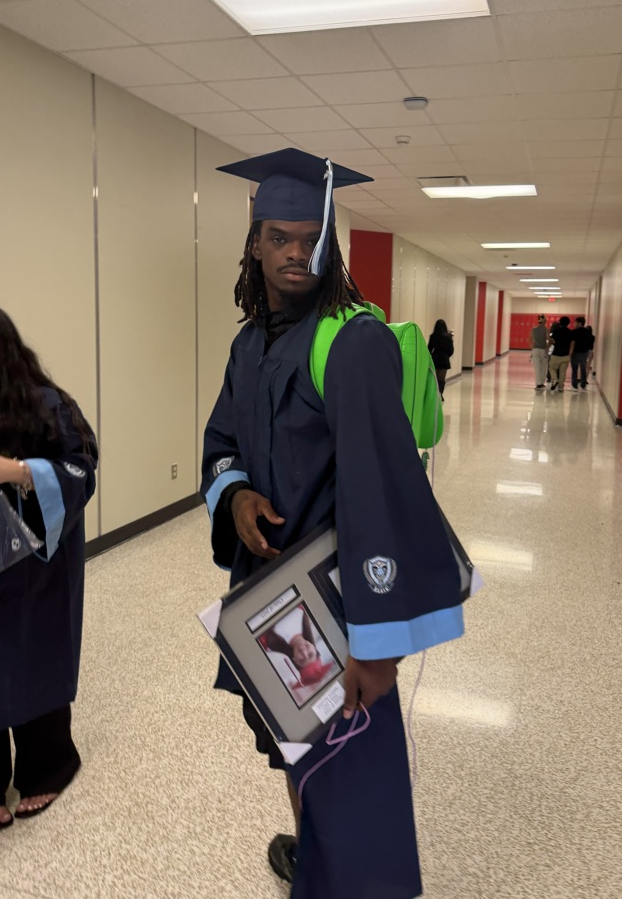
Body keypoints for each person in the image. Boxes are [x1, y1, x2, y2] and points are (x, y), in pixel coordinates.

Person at [200, 149, 464, 899]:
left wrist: (379, 647)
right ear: (254, 244)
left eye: (311, 239)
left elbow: (385, 491)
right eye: (279, 237)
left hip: (342, 604)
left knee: (353, 770)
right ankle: (313, 860)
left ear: (331, 246)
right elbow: (221, 442)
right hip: (273, 602)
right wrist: (236, 495)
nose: (296, 252)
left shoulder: (350, 341)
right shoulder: (249, 343)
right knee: (295, 747)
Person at [0, 305, 97, 831]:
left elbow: (81, 468)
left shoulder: (47, 406)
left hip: (35, 568)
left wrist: (13, 471)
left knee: (35, 655)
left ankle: (48, 765)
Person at [427, 319, 454, 398]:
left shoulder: (433, 336)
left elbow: (429, 349)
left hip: (435, 359)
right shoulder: (448, 337)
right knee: (441, 379)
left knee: (434, 378)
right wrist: (446, 355)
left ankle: (434, 395)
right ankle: (440, 394)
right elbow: (451, 350)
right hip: (444, 360)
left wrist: (433, 354)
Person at [549, 315, 574, 392]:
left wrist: (548, 348)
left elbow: (551, 341)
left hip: (556, 354)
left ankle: (555, 379)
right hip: (565, 355)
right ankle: (560, 387)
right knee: (562, 371)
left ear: (560, 322)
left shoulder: (556, 331)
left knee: (552, 368)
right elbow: (572, 344)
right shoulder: (570, 332)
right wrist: (569, 355)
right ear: (568, 323)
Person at [570, 316, 592, 391]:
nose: (574, 324)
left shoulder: (574, 332)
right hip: (584, 353)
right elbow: (590, 343)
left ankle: (574, 384)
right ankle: (583, 384)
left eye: (575, 322)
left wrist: (570, 353)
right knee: (583, 369)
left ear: (579, 323)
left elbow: (572, 343)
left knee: (574, 369)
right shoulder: (588, 332)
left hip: (575, 353)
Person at [529, 314, 550, 391]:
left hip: (535, 350)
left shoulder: (533, 329)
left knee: (537, 368)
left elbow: (530, 340)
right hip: (543, 350)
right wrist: (547, 348)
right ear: (544, 321)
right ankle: (541, 382)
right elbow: (549, 340)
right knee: (543, 367)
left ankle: (538, 384)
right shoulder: (546, 329)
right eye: (546, 320)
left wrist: (532, 349)